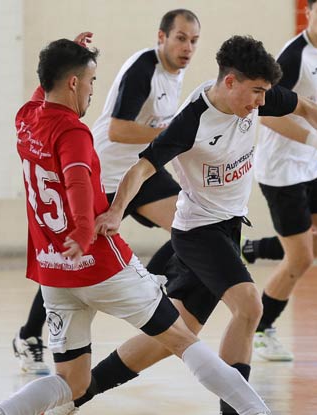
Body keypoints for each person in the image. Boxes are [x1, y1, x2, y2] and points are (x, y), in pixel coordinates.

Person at [0, 32, 315, 415]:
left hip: (54, 272)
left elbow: (44, 92)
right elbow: (75, 181)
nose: (94, 90)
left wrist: (68, 54)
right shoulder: (74, 131)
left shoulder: (27, 117)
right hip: (99, 263)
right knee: (184, 340)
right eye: (91, 80)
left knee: (73, 380)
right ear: (73, 83)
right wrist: (87, 225)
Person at [36, 35, 317, 415]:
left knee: (172, 338)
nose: (261, 103)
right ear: (231, 82)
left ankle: (79, 395)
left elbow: (305, 107)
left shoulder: (256, 98)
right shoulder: (193, 120)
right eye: (256, 93)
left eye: (266, 94)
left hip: (226, 229)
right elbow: (142, 167)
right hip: (197, 233)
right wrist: (116, 211)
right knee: (249, 307)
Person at [11, 9, 201, 376]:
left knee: (190, 221)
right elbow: (117, 130)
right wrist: (174, 137)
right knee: (73, 257)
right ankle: (29, 336)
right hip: (105, 173)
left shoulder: (174, 74)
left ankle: (155, 280)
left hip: (138, 171)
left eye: (194, 40)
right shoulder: (143, 68)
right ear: (161, 37)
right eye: (180, 38)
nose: (187, 47)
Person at [242, 0, 317, 362]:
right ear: (309, 12)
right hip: (281, 169)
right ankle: (261, 329)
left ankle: (257, 248)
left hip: (311, 165)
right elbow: (266, 114)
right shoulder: (293, 57)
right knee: (300, 259)